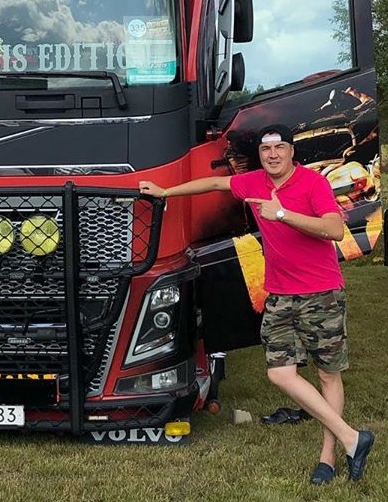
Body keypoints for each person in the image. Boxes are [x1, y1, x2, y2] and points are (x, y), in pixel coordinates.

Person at [139, 124, 375, 484]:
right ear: (260, 155)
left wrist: (281, 214)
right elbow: (214, 183)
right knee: (280, 373)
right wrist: (165, 191)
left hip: (321, 293)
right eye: (266, 150)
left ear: (291, 151)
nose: (273, 155)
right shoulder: (254, 182)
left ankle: (328, 457)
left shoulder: (313, 183)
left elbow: (334, 230)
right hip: (279, 294)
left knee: (328, 374)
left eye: (279, 148)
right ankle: (352, 437)